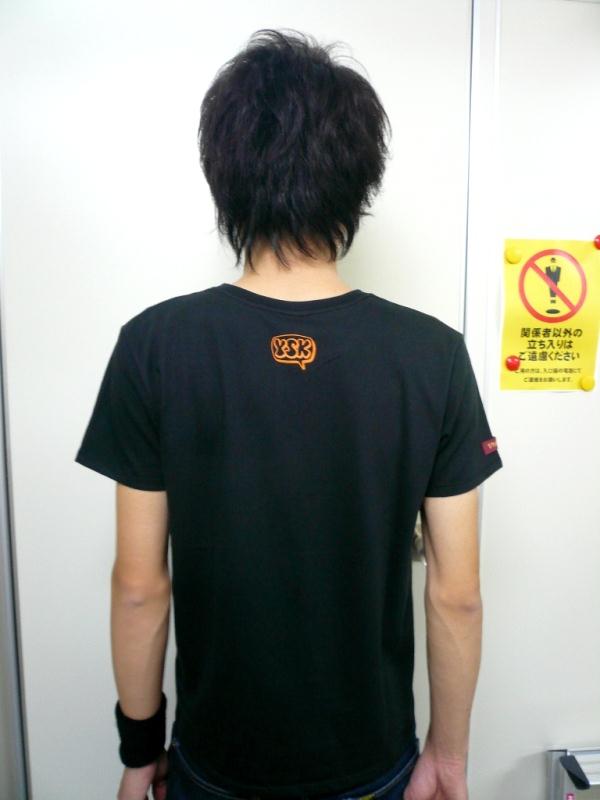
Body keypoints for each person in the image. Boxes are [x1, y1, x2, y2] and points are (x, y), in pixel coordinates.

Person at [74, 28, 503, 800]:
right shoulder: (432, 355)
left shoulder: (154, 346)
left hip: (215, 761)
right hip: (371, 763)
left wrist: (140, 752)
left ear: (225, 174)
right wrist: (449, 755)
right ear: (358, 178)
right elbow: (456, 592)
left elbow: (139, 585)